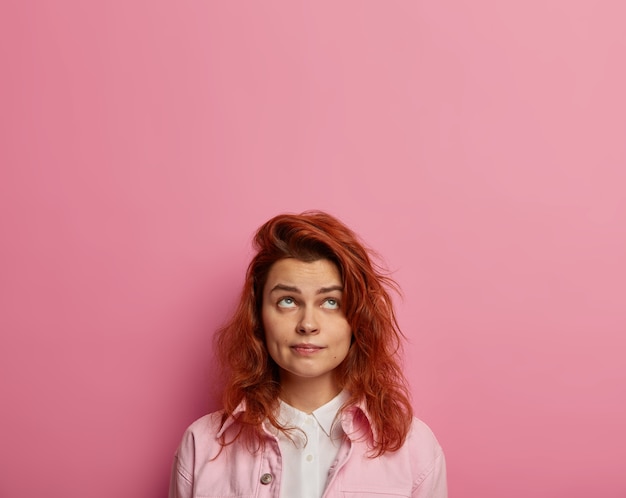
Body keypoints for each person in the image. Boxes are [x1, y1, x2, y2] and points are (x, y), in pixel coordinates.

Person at [169, 211, 447, 498]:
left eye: (330, 302)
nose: (308, 324)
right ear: (258, 316)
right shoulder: (201, 445)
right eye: (287, 301)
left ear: (357, 319)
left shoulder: (413, 448)